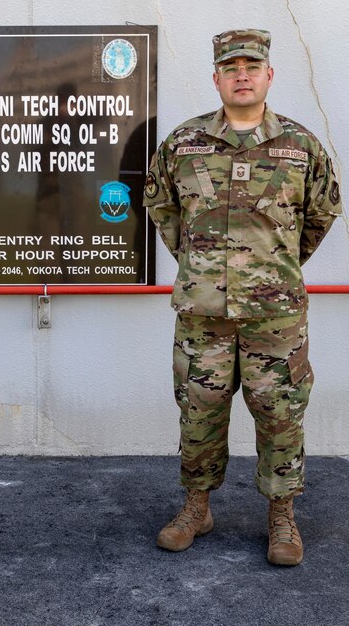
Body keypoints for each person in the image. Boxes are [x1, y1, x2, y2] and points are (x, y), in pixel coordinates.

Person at [144, 29, 341, 566]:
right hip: (203, 313)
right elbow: (164, 211)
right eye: (230, 67)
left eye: (252, 66)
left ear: (269, 75)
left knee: (280, 413)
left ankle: (282, 517)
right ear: (216, 78)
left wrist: (272, 269)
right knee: (199, 411)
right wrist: (203, 267)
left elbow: (321, 214)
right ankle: (197, 507)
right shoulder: (184, 145)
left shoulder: (300, 147)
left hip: (274, 317)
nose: (242, 74)